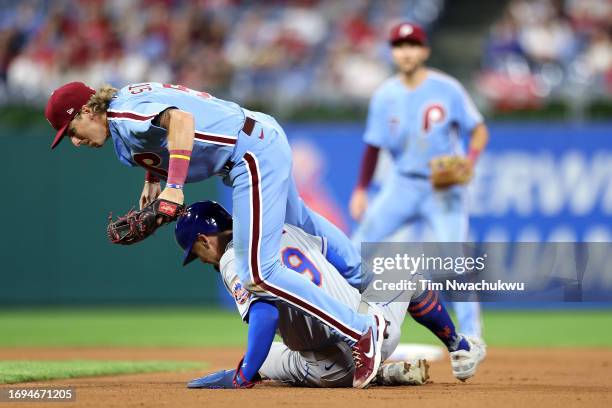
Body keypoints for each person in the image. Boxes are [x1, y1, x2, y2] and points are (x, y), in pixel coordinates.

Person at [44, 81, 385, 388]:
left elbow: (181, 121)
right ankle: (368, 283)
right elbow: (158, 132)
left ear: (88, 110)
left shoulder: (123, 113)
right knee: (303, 224)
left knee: (258, 274)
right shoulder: (124, 106)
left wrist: (174, 187)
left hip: (248, 154)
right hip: (260, 136)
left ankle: (360, 330)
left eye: (71, 129)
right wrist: (153, 179)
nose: (74, 141)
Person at [174, 201, 485, 388]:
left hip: (327, 368)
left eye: (196, 251)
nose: (201, 259)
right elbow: (332, 252)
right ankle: (457, 345)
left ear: (204, 239)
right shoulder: (280, 229)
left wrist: (242, 376)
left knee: (258, 360)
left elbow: (265, 313)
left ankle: (373, 372)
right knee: (408, 273)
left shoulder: (233, 258)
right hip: (376, 334)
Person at [349, 22, 489, 341]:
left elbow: (479, 129)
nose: (406, 51)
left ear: (424, 50)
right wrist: (360, 189)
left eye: (412, 45)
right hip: (401, 183)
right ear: (393, 52)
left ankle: (471, 335)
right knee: (356, 247)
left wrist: (469, 161)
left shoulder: (447, 88)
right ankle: (346, 323)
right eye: (399, 45)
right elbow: (373, 146)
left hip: (443, 188)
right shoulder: (385, 94)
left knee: (454, 258)